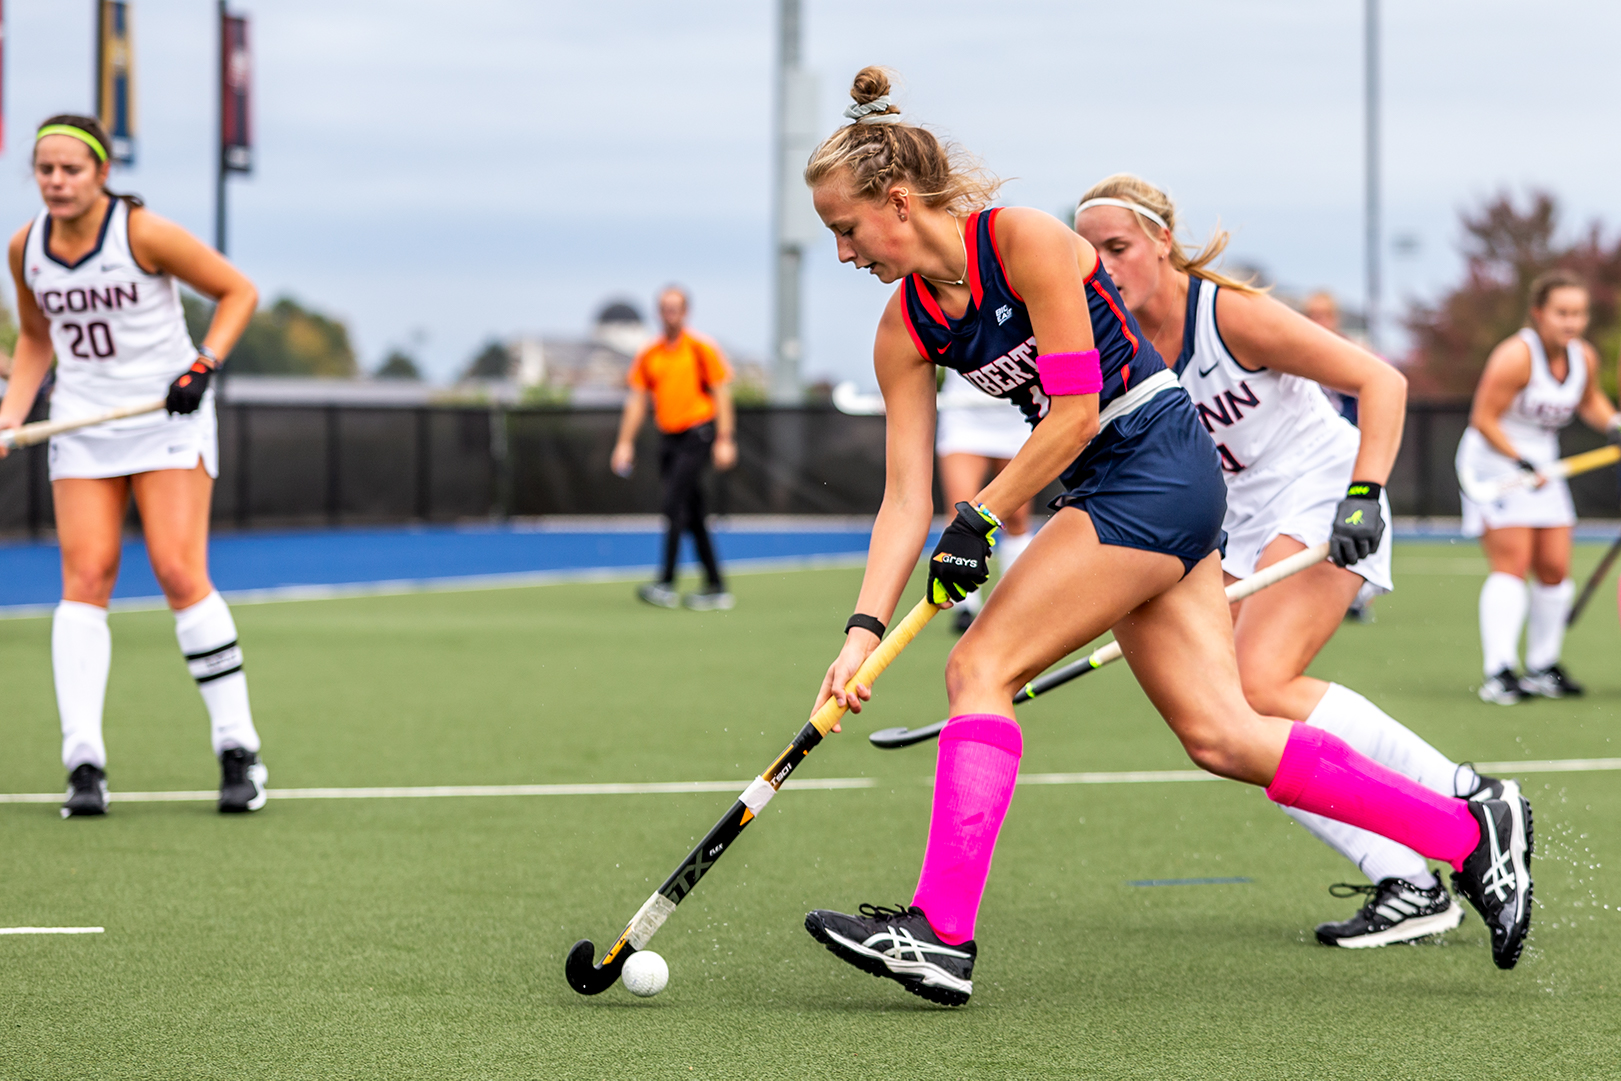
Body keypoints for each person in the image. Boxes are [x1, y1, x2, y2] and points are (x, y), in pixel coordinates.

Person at [795, 68, 1532, 1007]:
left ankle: (941, 932)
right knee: (1222, 733)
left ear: (897, 201)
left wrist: (979, 515)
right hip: (1121, 483)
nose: (843, 249)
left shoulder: (1023, 242)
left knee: (978, 670)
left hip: (1152, 457)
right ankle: (1469, 833)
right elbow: (902, 496)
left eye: (846, 227)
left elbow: (1071, 412)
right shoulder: (902, 329)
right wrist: (860, 631)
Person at [1075, 174, 1513, 949]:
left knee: (1259, 682)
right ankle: (1406, 878)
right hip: (1232, 527)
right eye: (1090, 252)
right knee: (1230, 720)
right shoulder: (1115, 348)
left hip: (1320, 490)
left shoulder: (1228, 314)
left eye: (1118, 246)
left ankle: (1468, 796)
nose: (1103, 265)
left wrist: (1364, 492)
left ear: (1160, 243)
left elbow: (1380, 379)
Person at [0, 115, 266, 816]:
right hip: (85, 423)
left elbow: (238, 291)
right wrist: (12, 413)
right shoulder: (25, 248)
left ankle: (237, 749)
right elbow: (35, 338)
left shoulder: (141, 231)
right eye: (45, 169)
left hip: (165, 416)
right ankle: (83, 763)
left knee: (179, 570)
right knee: (85, 578)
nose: (56, 182)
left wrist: (202, 364)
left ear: (101, 173)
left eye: (71, 169)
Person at [1457, 270, 1621, 703]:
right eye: (1562, 313)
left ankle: (1543, 666)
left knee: (1554, 568)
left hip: (1544, 467)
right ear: (1538, 313)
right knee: (1513, 563)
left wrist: (1615, 424)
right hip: (1496, 465)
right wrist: (1521, 461)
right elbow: (1483, 419)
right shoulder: (1516, 356)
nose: (1572, 323)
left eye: (1579, 314)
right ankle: (1500, 672)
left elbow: (1588, 401)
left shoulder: (1582, 357)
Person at [612, 287, 737, 611]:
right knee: (693, 514)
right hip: (669, 439)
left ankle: (665, 583)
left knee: (672, 504)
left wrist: (725, 438)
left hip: (698, 434)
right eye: (665, 309)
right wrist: (624, 443)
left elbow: (721, 392)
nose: (670, 315)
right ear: (658, 313)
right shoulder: (649, 354)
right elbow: (637, 401)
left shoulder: (700, 349)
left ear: (685, 312)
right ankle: (716, 586)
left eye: (676, 308)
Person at [936, 368, 1035, 632]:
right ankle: (964, 607)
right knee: (963, 514)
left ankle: (1018, 603)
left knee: (1016, 516)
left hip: (1019, 413)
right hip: (964, 412)